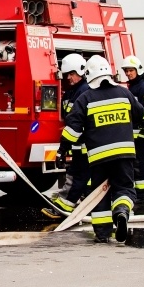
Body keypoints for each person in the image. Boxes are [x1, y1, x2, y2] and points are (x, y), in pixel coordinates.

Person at [57, 55, 144, 243]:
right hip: (124, 154)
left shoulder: (85, 98)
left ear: (88, 75)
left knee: (99, 194)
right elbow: (141, 114)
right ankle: (121, 212)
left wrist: (62, 150)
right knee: (124, 189)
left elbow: (72, 129)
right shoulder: (124, 93)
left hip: (98, 158)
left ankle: (103, 234)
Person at [42, 53, 90, 220]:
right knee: (79, 177)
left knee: (77, 177)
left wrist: (63, 149)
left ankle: (64, 207)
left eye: (72, 74)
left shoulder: (84, 91)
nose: (69, 77)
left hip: (84, 145)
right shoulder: (71, 93)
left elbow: (76, 124)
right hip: (77, 145)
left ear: (81, 72)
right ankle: (83, 204)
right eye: (67, 74)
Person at [121, 56, 144, 208]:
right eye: (126, 71)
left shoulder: (143, 88)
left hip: (141, 137)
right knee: (132, 167)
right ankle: (135, 195)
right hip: (133, 136)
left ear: (138, 70)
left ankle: (141, 198)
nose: (128, 73)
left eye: (131, 70)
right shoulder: (133, 87)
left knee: (141, 168)